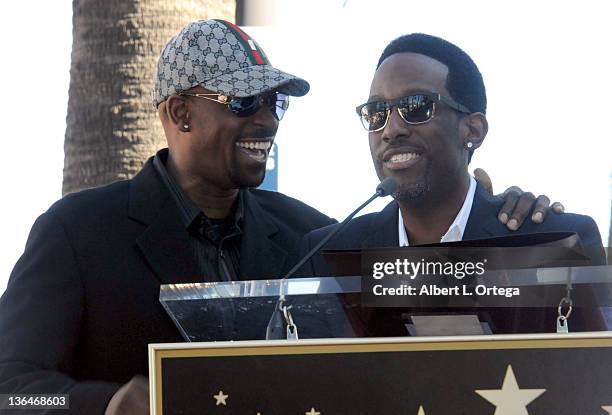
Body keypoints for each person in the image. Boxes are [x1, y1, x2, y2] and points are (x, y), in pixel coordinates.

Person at [0, 21, 562, 415]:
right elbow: (12, 394)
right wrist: (104, 404)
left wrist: (501, 203)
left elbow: (425, 234)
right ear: (179, 113)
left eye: (276, 103)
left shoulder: (312, 236)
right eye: (245, 103)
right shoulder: (76, 232)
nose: (268, 120)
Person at [299, 33, 606, 333]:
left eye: (416, 106)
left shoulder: (552, 241)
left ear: (473, 130)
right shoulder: (332, 255)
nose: (390, 129)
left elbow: (589, 372)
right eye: (377, 112)